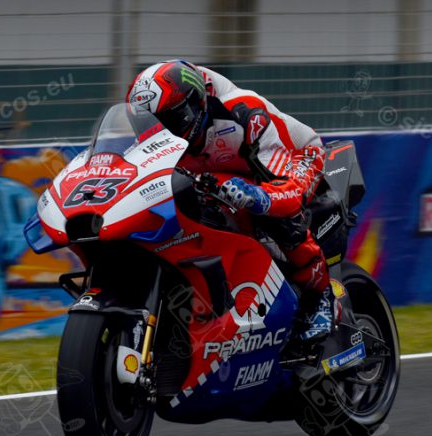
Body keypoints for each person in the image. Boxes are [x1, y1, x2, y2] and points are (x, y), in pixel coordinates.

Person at [126, 59, 333, 341]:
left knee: (277, 214)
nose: (162, 132)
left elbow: (288, 192)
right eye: (148, 124)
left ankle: (321, 298)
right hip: (221, 172)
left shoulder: (244, 113)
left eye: (171, 121)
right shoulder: (162, 139)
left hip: (292, 159)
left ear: (194, 104)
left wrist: (257, 196)